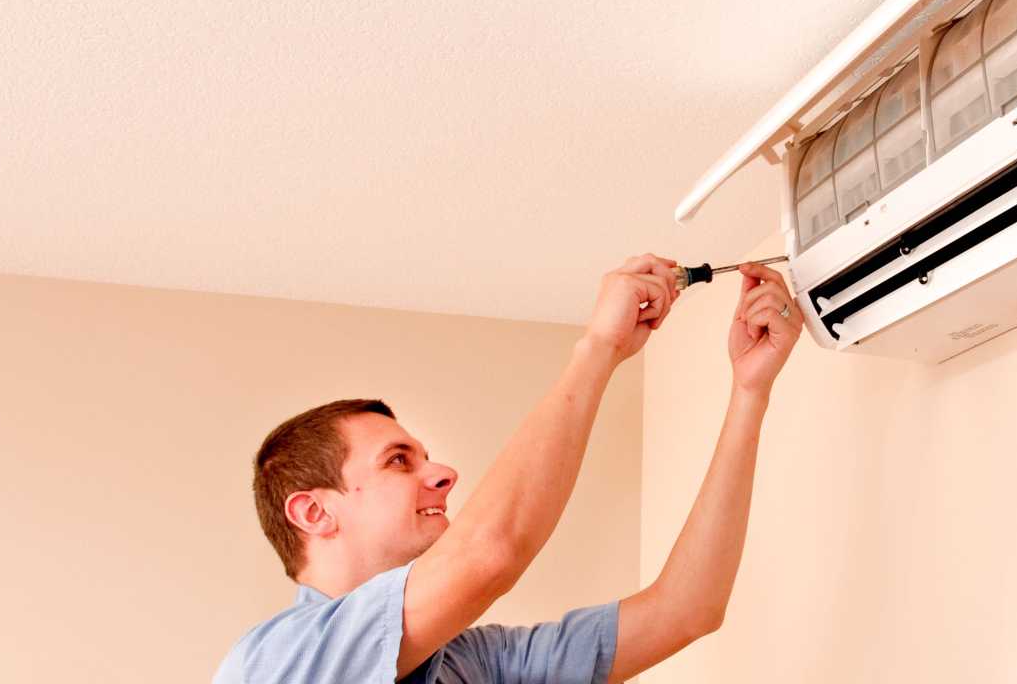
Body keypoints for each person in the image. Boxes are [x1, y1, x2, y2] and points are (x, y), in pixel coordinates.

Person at [215, 254, 801, 683]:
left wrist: (750, 392)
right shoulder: (275, 666)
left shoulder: (470, 664)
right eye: (399, 462)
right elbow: (489, 554)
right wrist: (599, 346)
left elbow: (684, 611)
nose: (443, 473)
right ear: (314, 511)